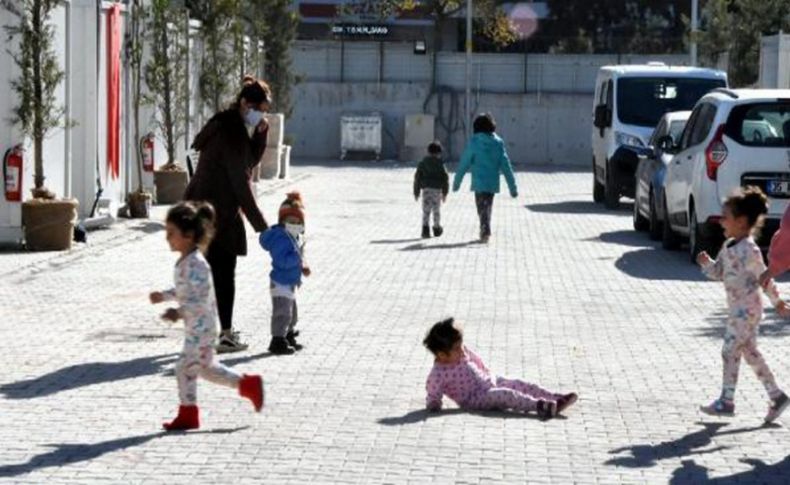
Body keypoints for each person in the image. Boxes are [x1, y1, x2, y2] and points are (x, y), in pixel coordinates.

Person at [150, 201, 263, 431]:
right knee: (206, 369)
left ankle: (189, 413)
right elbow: (185, 291)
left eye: (171, 233)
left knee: (185, 368)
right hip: (197, 327)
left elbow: (198, 300)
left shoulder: (197, 264)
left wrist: (178, 312)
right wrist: (164, 296)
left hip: (203, 328)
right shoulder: (185, 262)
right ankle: (246, 385)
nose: (167, 238)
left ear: (189, 235)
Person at [185, 76, 272, 353]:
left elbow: (246, 163)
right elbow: (241, 182)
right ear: (246, 103)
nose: (262, 115)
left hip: (203, 207)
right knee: (224, 274)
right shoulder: (232, 132)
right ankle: (224, 335)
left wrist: (260, 134)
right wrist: (263, 227)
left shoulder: (226, 123)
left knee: (209, 272)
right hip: (217, 211)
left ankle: (204, 333)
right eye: (260, 109)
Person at [696, 186, 789, 422]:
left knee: (729, 351)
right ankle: (777, 396)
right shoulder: (728, 246)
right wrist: (707, 264)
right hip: (737, 311)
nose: (721, 221)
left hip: (747, 311)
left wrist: (778, 302)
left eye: (726, 217)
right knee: (750, 354)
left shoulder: (750, 250)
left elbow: (764, 278)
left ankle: (726, 401)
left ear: (741, 221)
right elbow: (719, 272)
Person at [423, 318, 577, 419]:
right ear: (442, 355)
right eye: (457, 348)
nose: (462, 350)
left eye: (461, 344)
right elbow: (433, 391)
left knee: (520, 383)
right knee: (506, 395)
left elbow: (475, 359)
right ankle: (540, 406)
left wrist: (487, 372)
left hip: (488, 381)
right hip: (475, 398)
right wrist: (434, 404)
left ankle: (555, 398)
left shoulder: (461, 353)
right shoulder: (438, 374)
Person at [452, 113, 518, 243]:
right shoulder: (498, 143)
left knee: (481, 207)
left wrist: (456, 183)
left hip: (479, 183)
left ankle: (485, 229)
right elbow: (506, 166)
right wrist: (513, 188)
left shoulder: (474, 142)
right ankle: (485, 228)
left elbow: (464, 163)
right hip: (492, 184)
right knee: (487, 206)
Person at [259, 192, 310, 355]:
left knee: (291, 312)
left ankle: (288, 335)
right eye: (290, 221)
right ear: (282, 222)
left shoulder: (293, 236)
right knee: (282, 312)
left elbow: (298, 256)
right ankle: (277, 340)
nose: (294, 224)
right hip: (281, 281)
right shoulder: (281, 238)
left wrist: (303, 265)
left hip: (290, 281)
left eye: (297, 222)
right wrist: (296, 258)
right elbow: (282, 260)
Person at [413, 141, 449, 239]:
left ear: (428, 152)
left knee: (426, 210)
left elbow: (417, 178)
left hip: (426, 190)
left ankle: (425, 230)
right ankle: (436, 228)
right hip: (437, 190)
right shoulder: (440, 164)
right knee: (436, 210)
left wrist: (416, 192)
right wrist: (445, 193)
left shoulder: (423, 163)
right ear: (439, 153)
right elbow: (445, 178)